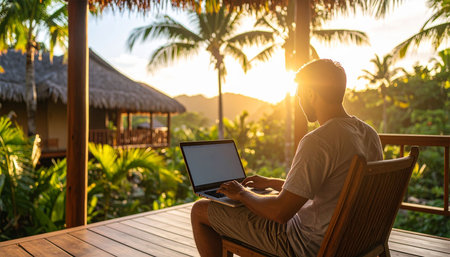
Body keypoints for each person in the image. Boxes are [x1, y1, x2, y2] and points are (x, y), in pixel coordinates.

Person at [190, 59, 383, 257]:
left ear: (310, 93)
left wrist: (241, 193)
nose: (299, 101)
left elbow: (280, 213)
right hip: (350, 241)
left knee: (200, 210)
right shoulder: (369, 134)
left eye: (299, 95)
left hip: (305, 245)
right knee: (265, 198)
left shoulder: (318, 141)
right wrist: (272, 183)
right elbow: (331, 190)